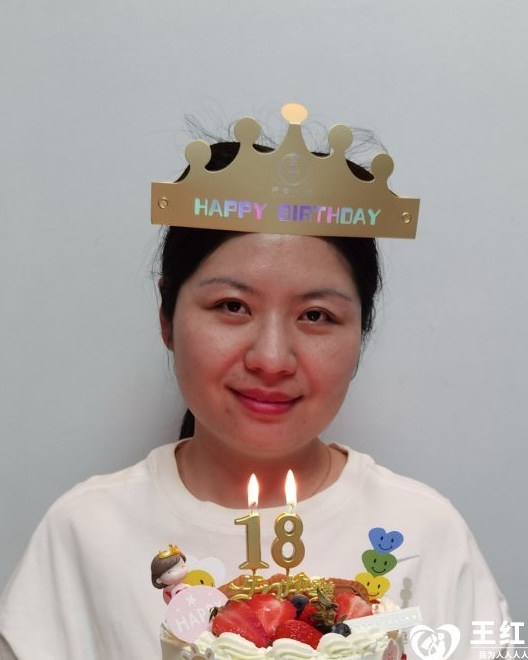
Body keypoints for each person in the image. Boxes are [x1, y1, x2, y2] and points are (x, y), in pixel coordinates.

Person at [0, 105, 511, 659]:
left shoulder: (426, 532)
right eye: (232, 306)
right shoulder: (86, 530)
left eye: (315, 315)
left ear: (360, 332)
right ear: (167, 317)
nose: (271, 359)